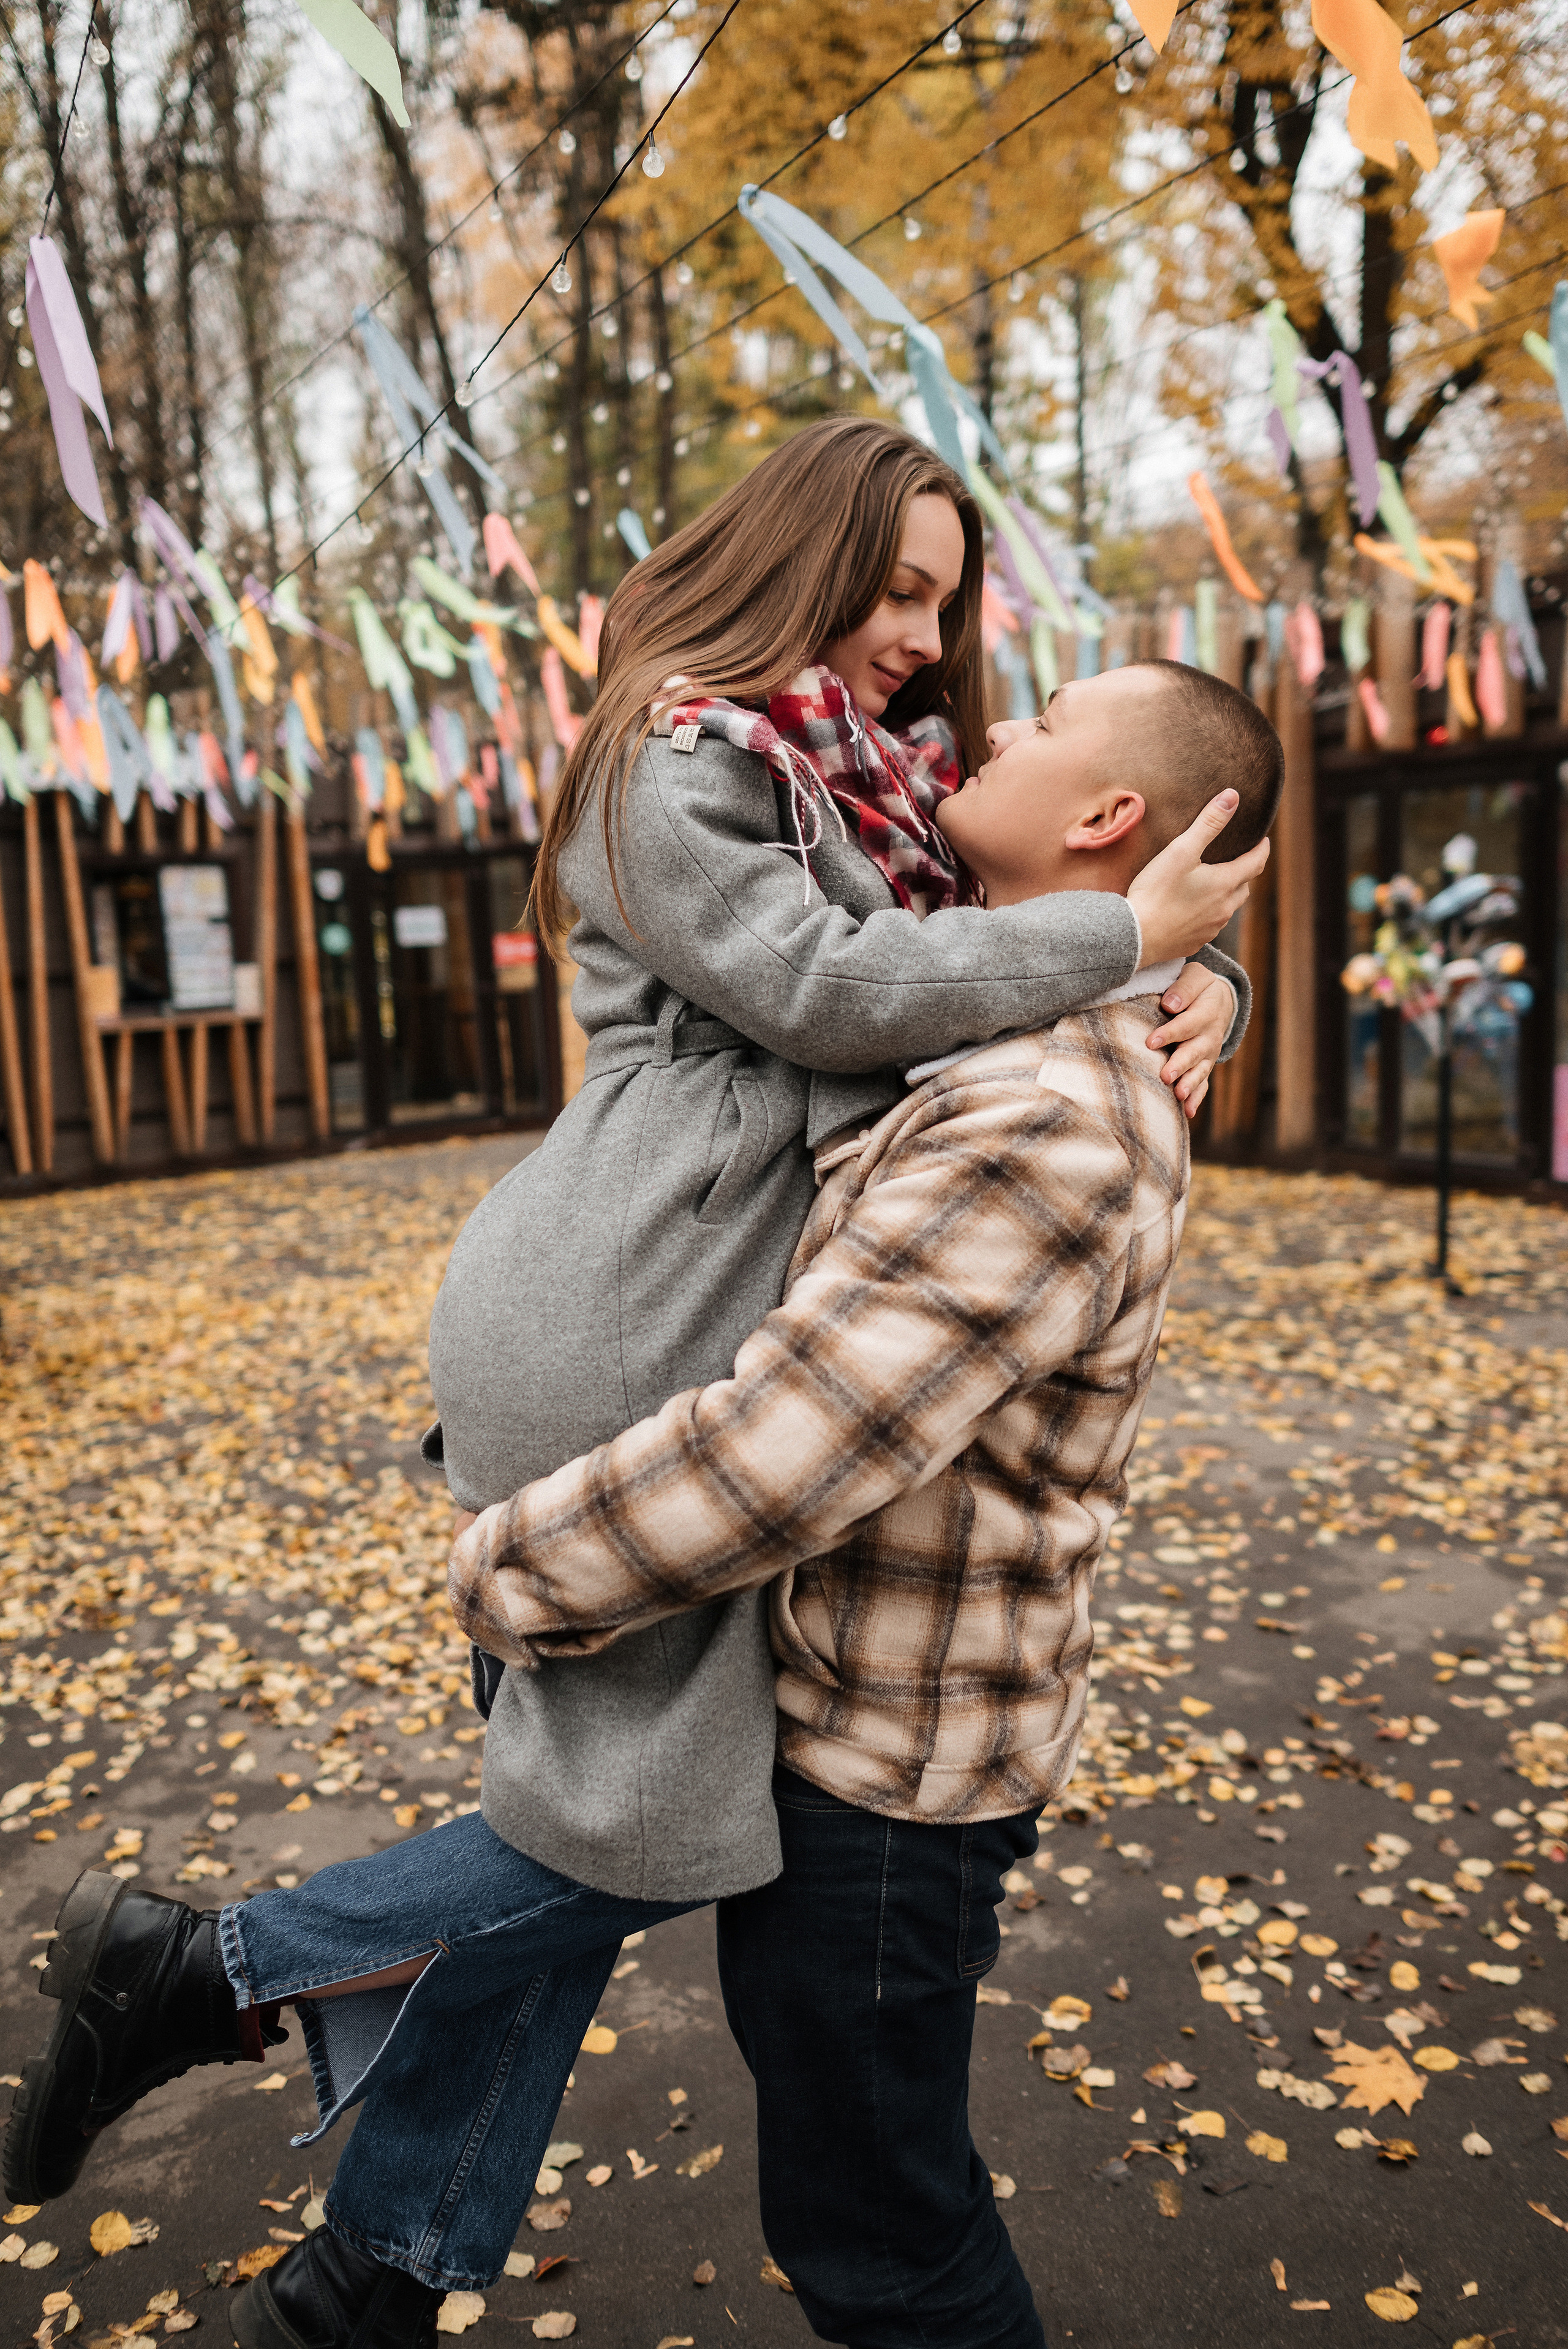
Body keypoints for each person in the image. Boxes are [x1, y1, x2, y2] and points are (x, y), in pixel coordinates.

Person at [4, 426, 1261, 2349]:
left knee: (602, 1819)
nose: (935, 641)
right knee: (630, 1827)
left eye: (950, 595)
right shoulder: (686, 754)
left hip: (676, 1284)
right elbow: (857, 990)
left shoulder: (853, 765)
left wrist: (1204, 973)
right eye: (903, 586)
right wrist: (1126, 939)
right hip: (626, 1293)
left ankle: (362, 2268)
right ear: (800, 555)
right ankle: (208, 1978)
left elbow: (1091, 835)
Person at [447, 658, 1286, 2349]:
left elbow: (796, 1446)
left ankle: (217, 1985)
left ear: (1108, 816)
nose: (978, 731)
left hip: (887, 1792)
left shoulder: (1049, 1115)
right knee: (862, 2193)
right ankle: (310, 2145)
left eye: (1040, 731)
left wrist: (512, 1567)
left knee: (882, 2236)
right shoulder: (998, 993)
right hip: (835, 1718)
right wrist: (1202, 966)